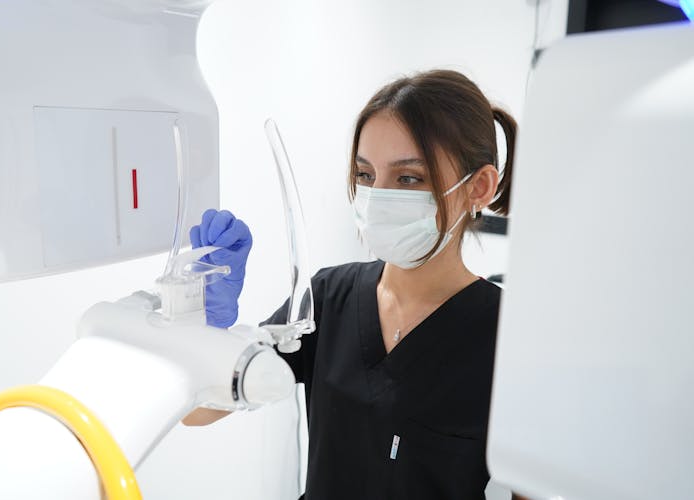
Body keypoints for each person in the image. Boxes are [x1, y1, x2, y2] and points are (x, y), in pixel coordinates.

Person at [183, 69, 517, 500]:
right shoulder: (327, 298)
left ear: (479, 187)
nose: (376, 196)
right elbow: (197, 411)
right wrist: (202, 325)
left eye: (408, 178)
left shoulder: (508, 338)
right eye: (365, 175)